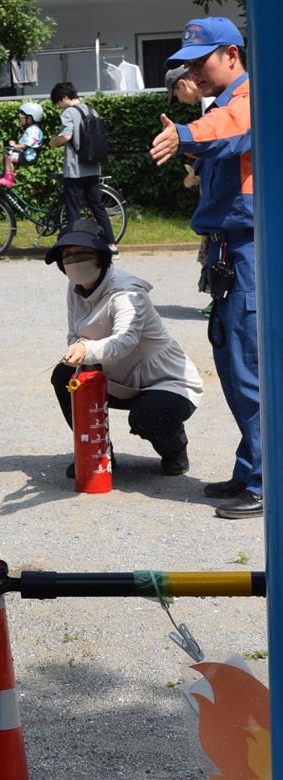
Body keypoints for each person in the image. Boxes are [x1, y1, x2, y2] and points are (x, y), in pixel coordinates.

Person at [150, 17, 260, 519]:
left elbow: (228, 132)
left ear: (232, 54)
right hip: (227, 252)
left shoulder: (249, 99)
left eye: (202, 59)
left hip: (249, 251)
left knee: (249, 370)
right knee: (235, 367)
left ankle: (264, 484)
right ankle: (251, 470)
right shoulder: (222, 104)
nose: (194, 70)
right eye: (189, 62)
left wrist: (186, 136)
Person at [47, 220, 202, 479]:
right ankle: (99, 452)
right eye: (67, 255)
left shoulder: (128, 292)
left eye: (83, 253)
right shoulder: (74, 289)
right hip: (115, 379)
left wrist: (85, 350)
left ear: (102, 257)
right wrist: (76, 350)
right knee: (64, 376)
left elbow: (124, 341)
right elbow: (75, 332)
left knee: (149, 417)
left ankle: (175, 449)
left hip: (165, 383)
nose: (74, 261)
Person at [48, 82, 118, 257]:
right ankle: (112, 245)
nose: (59, 107)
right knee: (97, 206)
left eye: (58, 102)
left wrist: (53, 142)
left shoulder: (68, 112)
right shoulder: (91, 109)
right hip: (93, 166)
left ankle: (74, 248)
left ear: (64, 98)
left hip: (75, 170)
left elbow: (66, 136)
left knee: (73, 210)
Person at [165, 65, 212, 315]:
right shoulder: (212, 103)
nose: (181, 102)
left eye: (177, 96)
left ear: (182, 85)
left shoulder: (212, 104)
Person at [0, 101, 44, 188]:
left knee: (9, 157)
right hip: (26, 154)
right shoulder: (31, 129)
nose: (20, 118)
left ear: (30, 118)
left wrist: (15, 146)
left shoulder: (33, 130)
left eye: (22, 116)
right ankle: (6, 176)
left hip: (28, 156)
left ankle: (8, 179)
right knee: (7, 154)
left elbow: (26, 145)